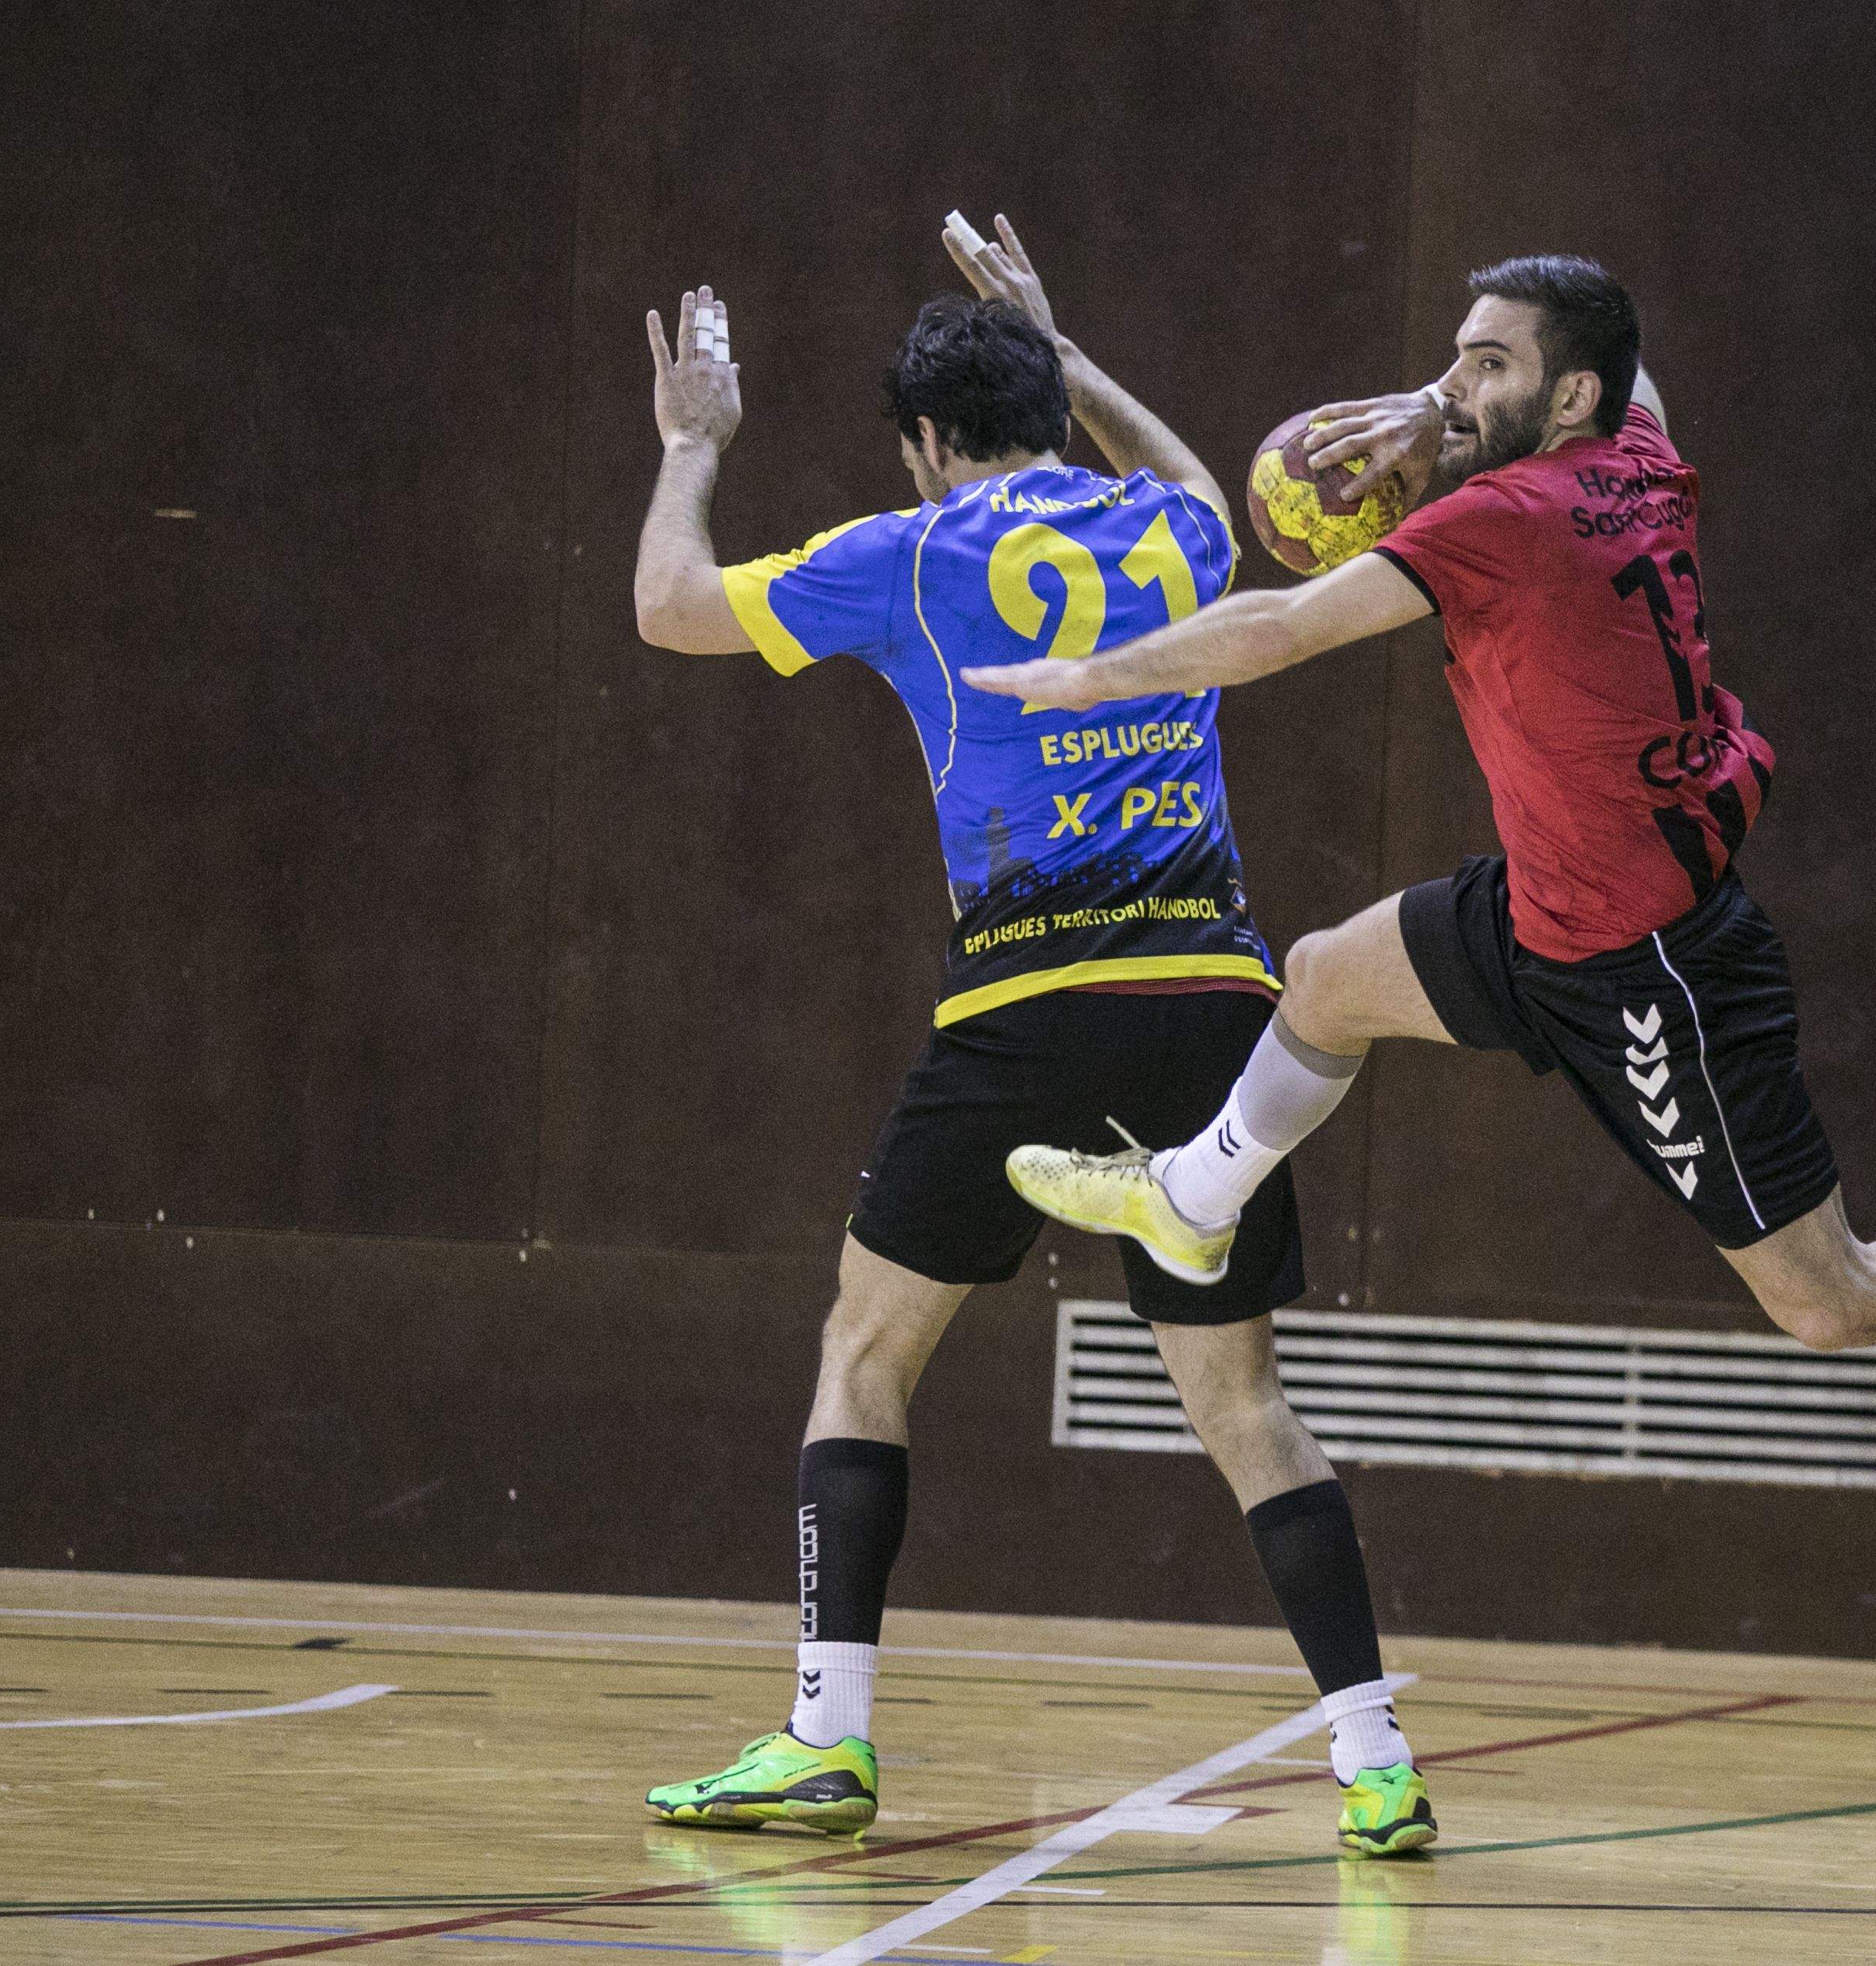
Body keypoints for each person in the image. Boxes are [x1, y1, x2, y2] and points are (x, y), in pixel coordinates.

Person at [970, 254, 1876, 1501]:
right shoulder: (1632, 448)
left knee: (1828, 1301)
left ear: (1569, 399)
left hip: (1654, 972)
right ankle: (1195, 1198)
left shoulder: (1502, 523)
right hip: (1548, 904)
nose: (1454, 384)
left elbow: (1280, 628)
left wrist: (1085, 678)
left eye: (1488, 363)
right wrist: (1437, 401)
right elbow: (1638, 376)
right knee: (1325, 983)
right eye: (1455, 353)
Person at [627, 216, 1435, 1857]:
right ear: (1054, 412)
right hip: (1213, 999)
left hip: (1024, 1001)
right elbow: (1210, 485)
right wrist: (1071, 352)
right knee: (1243, 1400)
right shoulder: (1167, 531)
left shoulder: (906, 553)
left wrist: (693, 446)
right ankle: (1376, 1759)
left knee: (868, 1349)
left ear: (923, 443)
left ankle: (825, 1741)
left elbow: (664, 606)